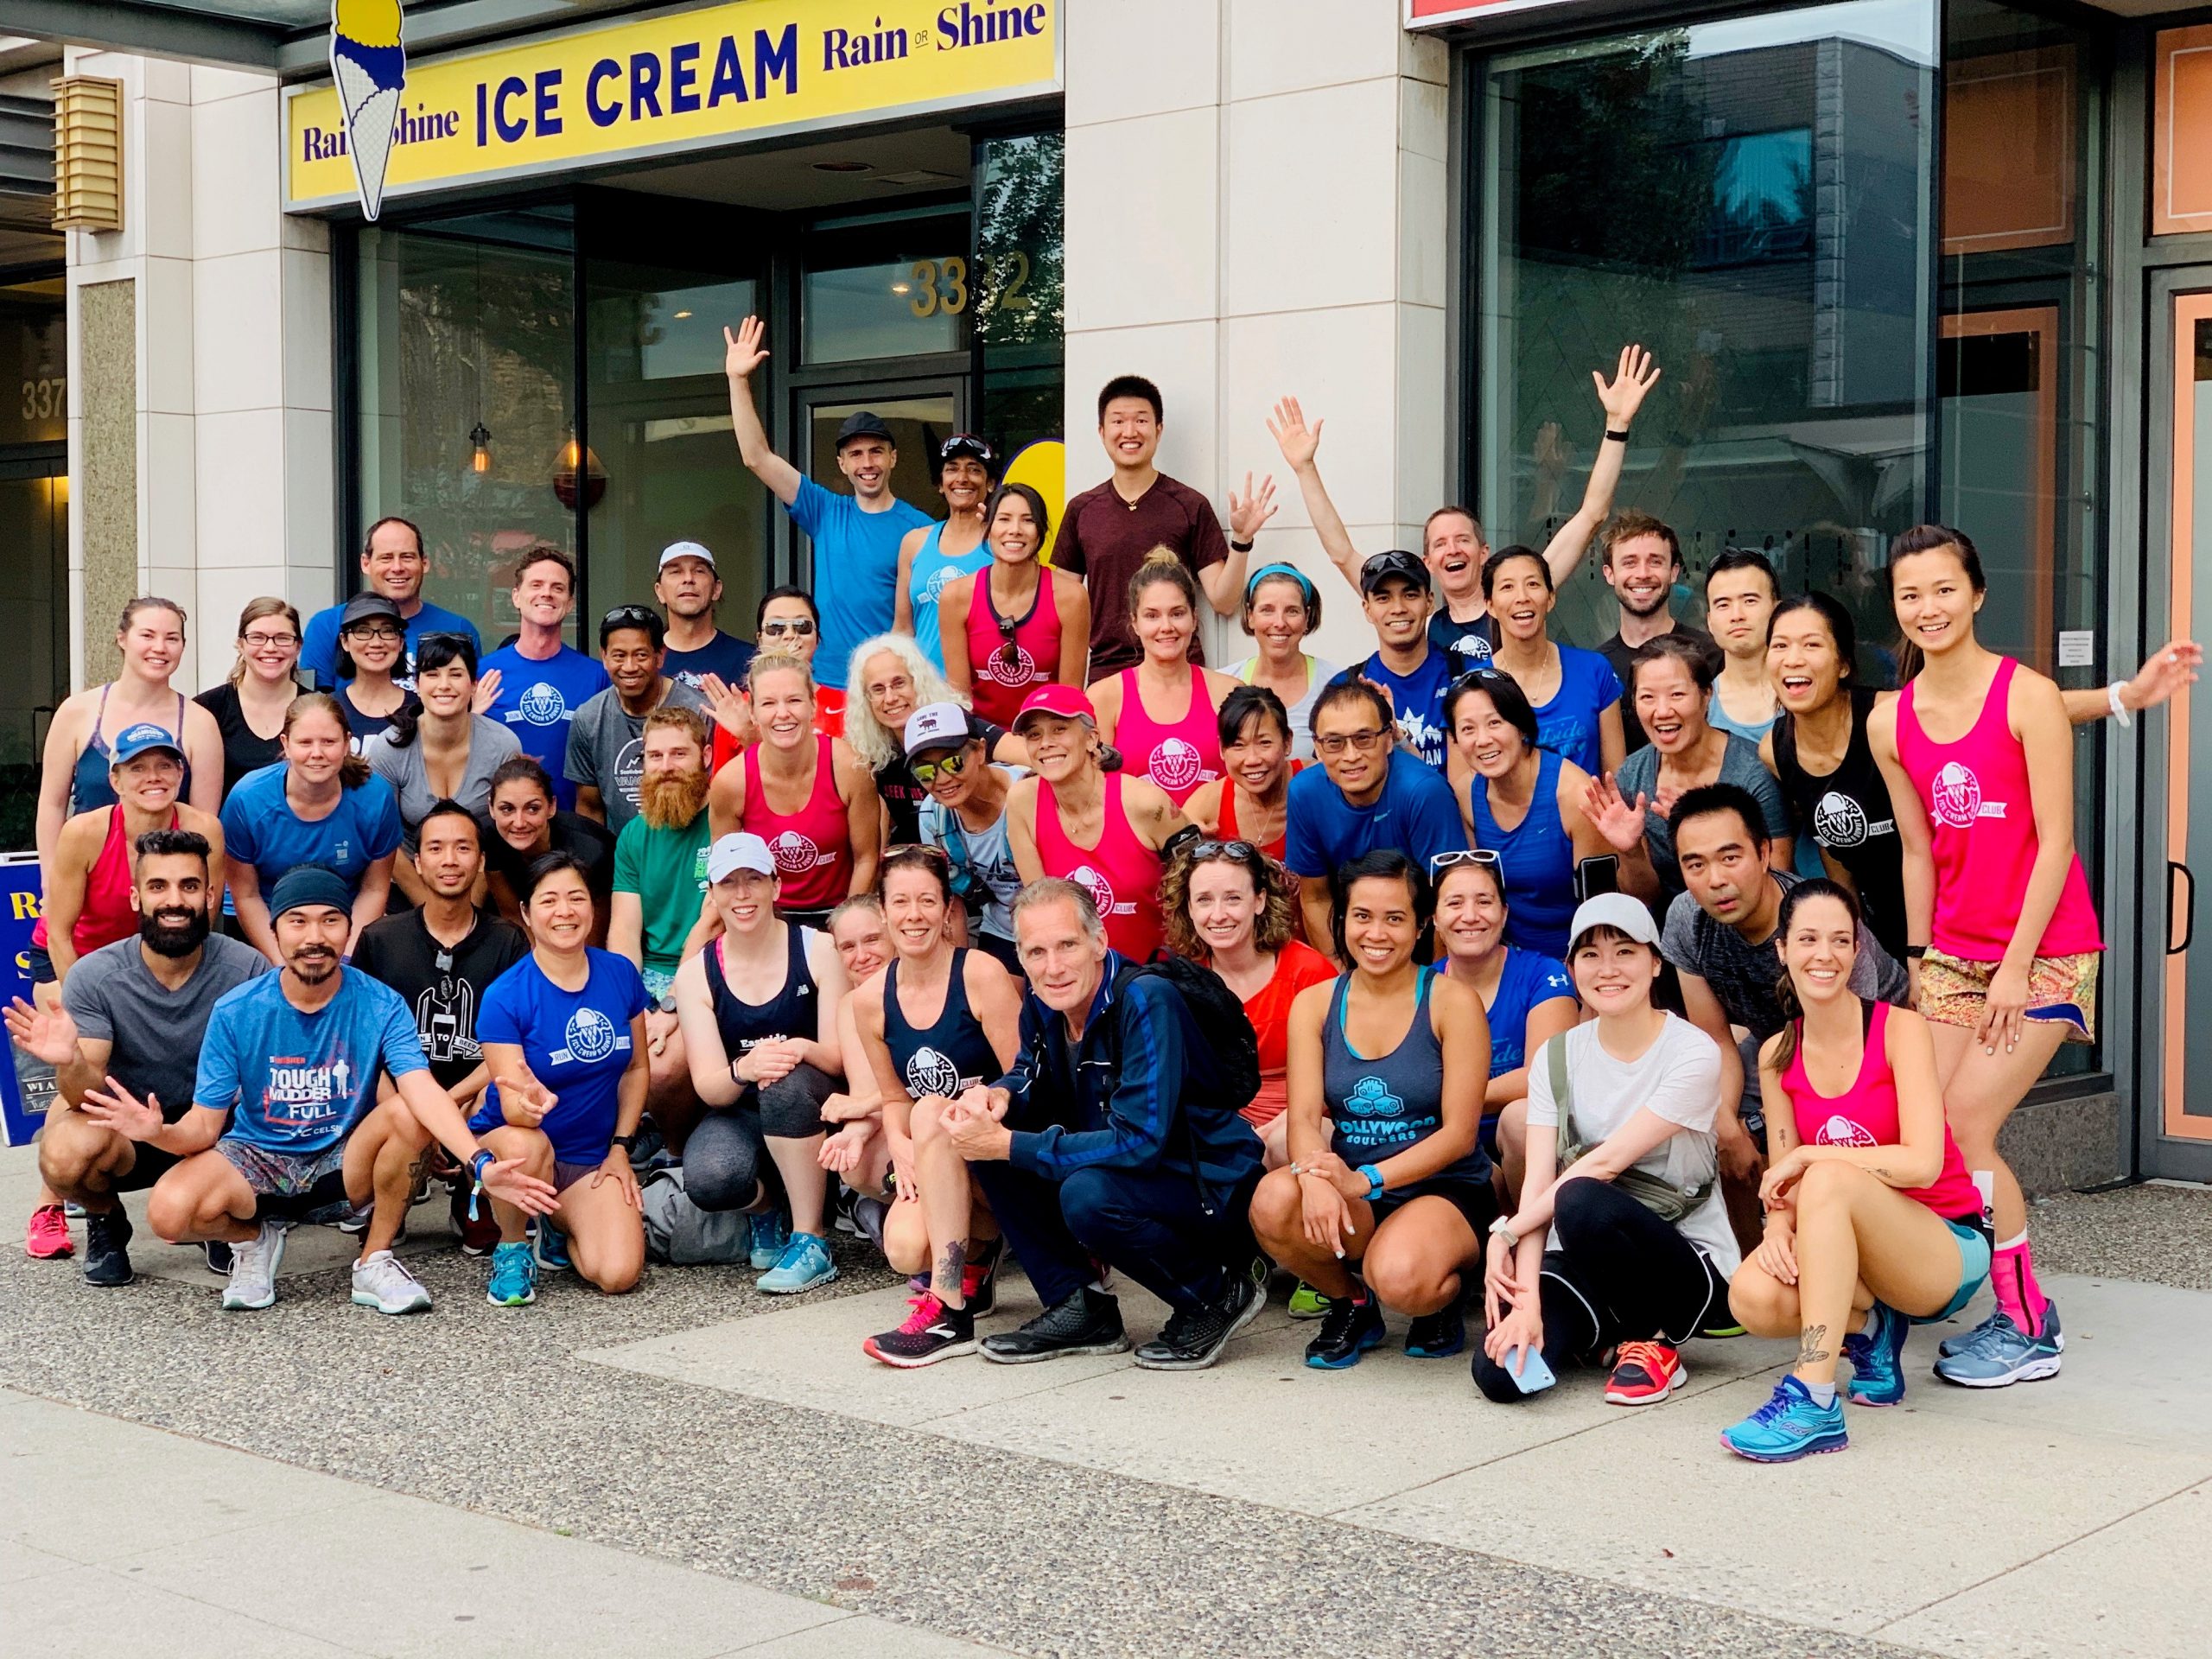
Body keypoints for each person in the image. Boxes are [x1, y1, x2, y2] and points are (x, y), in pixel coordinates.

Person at [77, 865, 555, 1313]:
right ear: (277, 931)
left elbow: (422, 1088)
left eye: (330, 921)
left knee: (411, 1114)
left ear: (348, 929)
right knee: (168, 1212)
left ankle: (374, 1260)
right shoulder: (236, 1010)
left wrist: (479, 1161)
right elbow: (203, 1127)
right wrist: (155, 1131)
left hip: (345, 1158)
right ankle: (252, 1241)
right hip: (258, 1158)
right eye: (297, 921)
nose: (314, 937)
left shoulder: (380, 1003)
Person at [1869, 525, 2104, 1387]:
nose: (1926, 608)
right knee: (1917, 1131)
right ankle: (1911, 1303)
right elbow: (1918, 852)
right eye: (1909, 594)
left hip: (2042, 952)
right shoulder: (1889, 720)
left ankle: (2028, 1323)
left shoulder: (2028, 697)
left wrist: (2010, 967)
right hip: (1953, 956)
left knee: (1967, 1129)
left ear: (1975, 595)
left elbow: (2054, 842)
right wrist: (1923, 957)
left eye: (1942, 589)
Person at [942, 878, 1268, 1370]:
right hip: (1141, 1178)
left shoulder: (1145, 999)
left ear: (1099, 942)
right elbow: (1028, 1070)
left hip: (1210, 1189)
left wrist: (1011, 1144)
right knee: (984, 1140)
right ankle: (1079, 1306)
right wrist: (998, 1098)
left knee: (1083, 1192)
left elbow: (1140, 1142)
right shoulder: (1043, 1001)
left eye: (1067, 945)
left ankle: (1215, 1294)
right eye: (1035, 952)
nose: (1053, 967)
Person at [1718, 880, 1993, 1460]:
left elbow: (1923, 1163)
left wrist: (1815, 1156)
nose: (1825, 955)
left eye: (1841, 940)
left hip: (1943, 1244)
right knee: (1751, 1296)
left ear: (1857, 949)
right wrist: (1775, 1228)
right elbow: (1787, 1180)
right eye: (1809, 939)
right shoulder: (1776, 1053)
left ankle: (1814, 1398)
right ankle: (1870, 1333)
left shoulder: (1900, 1029)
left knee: (1830, 1178)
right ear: (1783, 950)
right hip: (1855, 1246)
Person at [1766, 594, 2202, 962]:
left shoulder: (1887, 717)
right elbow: (1836, 851)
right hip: (1881, 942)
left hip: (1953, 931)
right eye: (1780, 645)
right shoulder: (1776, 751)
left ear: (1843, 664)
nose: (1793, 659)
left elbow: (2008, 714)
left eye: (1811, 644)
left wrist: (2125, 697)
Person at [1473, 893, 1737, 1406]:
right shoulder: (1558, 1054)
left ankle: (1652, 1344)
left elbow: (1606, 1163)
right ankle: (1607, 1335)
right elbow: (1535, 1183)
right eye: (1590, 955)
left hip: (1686, 1263)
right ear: (1572, 968)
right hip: (1585, 1255)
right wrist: (1526, 1301)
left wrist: (1504, 1232)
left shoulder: (1692, 1052)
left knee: (1581, 1198)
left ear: (1656, 962)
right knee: (1501, 1373)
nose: (1608, 969)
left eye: (1625, 951)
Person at [1249, 852, 1494, 1366]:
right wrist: (1316, 1177)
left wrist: (1366, 1180)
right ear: (1342, 919)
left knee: (1402, 1278)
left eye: (1395, 918)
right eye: (1362, 916)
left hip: (1441, 1189)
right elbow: (1304, 1119)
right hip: (1351, 1183)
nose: (1376, 933)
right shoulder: (1315, 1005)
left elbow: (1459, 1136)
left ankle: (1437, 1299)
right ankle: (1351, 1302)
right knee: (1273, 1201)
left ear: (1423, 923)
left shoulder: (1452, 1002)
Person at [1266, 347, 1659, 660]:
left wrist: (1617, 425)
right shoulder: (1417, 619)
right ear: (1429, 563)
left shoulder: (1518, 597)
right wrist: (1305, 469)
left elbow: (1591, 515)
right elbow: (1341, 553)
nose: (1452, 549)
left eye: (1462, 540)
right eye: (1440, 544)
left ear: (1483, 552)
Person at [7, 830, 269, 1286]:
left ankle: (215, 1216)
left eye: (189, 886)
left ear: (210, 896)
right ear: (135, 897)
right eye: (158, 887)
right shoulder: (95, 975)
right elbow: (80, 1098)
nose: (174, 900)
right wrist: (67, 1059)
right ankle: (107, 1220)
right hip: (131, 1132)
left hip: (216, 1133)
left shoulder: (249, 971)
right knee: (64, 1152)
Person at [1662, 784, 1909, 1246]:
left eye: (1730, 857)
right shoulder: (1685, 920)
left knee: (1820, 1141)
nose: (1714, 879)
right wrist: (1726, 1125)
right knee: (1711, 1129)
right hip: (1775, 1048)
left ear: (1764, 852)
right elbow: (1713, 1040)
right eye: (1695, 864)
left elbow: (1852, 1048)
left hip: (1873, 1046)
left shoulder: (1815, 917)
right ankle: (1755, 1263)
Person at [857, 847, 1027, 1364]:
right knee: (906, 1247)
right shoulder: (869, 1000)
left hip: (1003, 1152)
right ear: (882, 912)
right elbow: (892, 1097)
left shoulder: (979, 972)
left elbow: (1026, 1077)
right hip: (940, 1153)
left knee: (933, 1108)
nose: (915, 915)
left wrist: (983, 1103)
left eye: (928, 901)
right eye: (901, 902)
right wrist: (904, 1148)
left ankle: (949, 1306)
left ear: (949, 909)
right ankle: (974, 1264)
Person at [671, 832, 850, 1292]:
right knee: (710, 1179)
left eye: (753, 879)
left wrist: (798, 1049)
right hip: (742, 1107)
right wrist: (743, 1069)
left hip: (813, 1102)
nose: (742, 894)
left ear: (776, 885)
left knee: (783, 1084)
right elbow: (710, 1086)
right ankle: (768, 1208)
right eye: (729, 883)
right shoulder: (697, 973)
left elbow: (838, 1058)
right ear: (712, 896)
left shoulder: (818, 950)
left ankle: (811, 1237)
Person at [468, 853, 650, 1306]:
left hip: (591, 1155)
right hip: (521, 1142)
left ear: (593, 907)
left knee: (617, 1274)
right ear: (527, 913)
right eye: (548, 901)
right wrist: (529, 1103)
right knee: (525, 1146)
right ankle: (512, 1246)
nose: (564, 911)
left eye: (576, 898)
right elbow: (512, 1108)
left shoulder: (619, 973)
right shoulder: (505, 995)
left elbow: (636, 1068)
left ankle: (557, 1225)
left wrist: (621, 1149)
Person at [353, 800, 530, 1248]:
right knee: (391, 1112)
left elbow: (516, 1046)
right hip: (401, 1100)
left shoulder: (508, 941)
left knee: (506, 1094)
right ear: (418, 862)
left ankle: (474, 1197)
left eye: (463, 848)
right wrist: (414, 1114)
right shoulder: (380, 939)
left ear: (481, 860)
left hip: (473, 1097)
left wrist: (449, 1107)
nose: (449, 860)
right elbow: (362, 1049)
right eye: (436, 848)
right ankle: (390, 1197)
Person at [726, 316, 932, 693]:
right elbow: (757, 457)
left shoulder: (920, 530)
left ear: (893, 458)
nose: (867, 463)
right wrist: (738, 381)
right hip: (825, 683)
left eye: (876, 452)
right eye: (855, 454)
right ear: (842, 464)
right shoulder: (826, 511)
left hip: (884, 687)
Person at [1053, 374, 1268, 677]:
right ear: (1102, 432)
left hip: (1180, 668)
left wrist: (1243, 540)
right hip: (1109, 672)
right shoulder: (1081, 509)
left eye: (1141, 421)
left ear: (1158, 429)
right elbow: (1061, 605)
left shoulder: (1189, 504)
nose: (1130, 431)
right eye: (1118, 422)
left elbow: (1224, 600)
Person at [1446, 669, 1652, 958]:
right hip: (1503, 959)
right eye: (1468, 729)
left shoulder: (1573, 796)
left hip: (1573, 957)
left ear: (1521, 726)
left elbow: (1602, 909)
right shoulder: (1466, 794)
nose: (1482, 740)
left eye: (1495, 723)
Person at [1162, 837, 1332, 1166]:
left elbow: (1340, 1074)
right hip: (1222, 1124)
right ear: (1189, 908)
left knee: (1284, 1146)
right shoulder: (1180, 983)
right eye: (1204, 900)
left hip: (1305, 1117)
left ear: (1259, 901)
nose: (1218, 915)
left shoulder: (1308, 972)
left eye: (1233, 898)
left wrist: (1277, 1127)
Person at [29, 726, 225, 997]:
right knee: (85, 1037)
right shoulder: (83, 833)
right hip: (75, 958)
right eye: (137, 769)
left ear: (180, 774)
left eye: (165, 766)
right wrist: (85, 1005)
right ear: (115, 781)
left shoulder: (205, 830)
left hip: (154, 961)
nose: (153, 777)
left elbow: (201, 923)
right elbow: (59, 934)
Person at [37, 597, 222, 876]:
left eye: (172, 638)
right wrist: (52, 882)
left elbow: (203, 825)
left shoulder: (200, 724)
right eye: (147, 635)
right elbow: (52, 805)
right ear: (122, 638)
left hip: (165, 888)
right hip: (85, 881)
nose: (159, 648)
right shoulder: (76, 713)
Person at [1006, 683, 1187, 964]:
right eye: (1034, 735)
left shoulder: (1143, 801)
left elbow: (1200, 883)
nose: (1045, 743)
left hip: (1159, 976)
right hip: (1078, 977)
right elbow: (1043, 909)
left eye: (1059, 729)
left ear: (1091, 739)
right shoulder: (1022, 802)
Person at [1283, 682, 1466, 956]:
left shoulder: (1424, 792)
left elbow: (1449, 897)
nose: (1351, 756)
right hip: (1353, 937)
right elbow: (1316, 896)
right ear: (1318, 749)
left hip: (1423, 938)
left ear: (1389, 740)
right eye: (1334, 743)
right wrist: (1338, 974)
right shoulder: (1305, 792)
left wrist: (1433, 984)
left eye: (1364, 738)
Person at [1600, 635, 1793, 896]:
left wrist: (1700, 831)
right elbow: (1645, 898)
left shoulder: (1752, 772)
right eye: (1647, 697)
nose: (1663, 711)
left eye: (1677, 694)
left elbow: (1777, 886)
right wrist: (1631, 852)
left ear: (1707, 695)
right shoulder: (1633, 776)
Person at [1433, 854, 1578, 1192]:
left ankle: (1534, 1235)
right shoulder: (1421, 986)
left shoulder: (1542, 974)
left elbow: (1545, 1076)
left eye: (1484, 901)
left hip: (1528, 1141)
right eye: (1454, 903)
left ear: (1504, 913)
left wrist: (1450, 1098)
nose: (1470, 916)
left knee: (1520, 1118)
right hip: (1448, 1143)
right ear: (1435, 919)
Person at [219, 694, 400, 963]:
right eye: (305, 742)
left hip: (343, 927)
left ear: (347, 743)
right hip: (266, 926)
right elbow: (246, 895)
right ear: (286, 744)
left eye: (329, 742)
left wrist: (345, 959)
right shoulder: (248, 799)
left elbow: (374, 889)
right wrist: (283, 964)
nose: (317, 753)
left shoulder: (376, 798)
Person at [708, 655, 880, 928]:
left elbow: (867, 858)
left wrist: (845, 929)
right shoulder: (730, 783)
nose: (783, 713)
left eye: (794, 700)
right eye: (768, 703)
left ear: (813, 705)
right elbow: (726, 874)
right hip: (764, 918)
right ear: (752, 712)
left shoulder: (849, 767)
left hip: (840, 911)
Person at [365, 632, 524, 904]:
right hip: (409, 888)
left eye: (455, 674)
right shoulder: (388, 748)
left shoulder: (503, 745)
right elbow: (382, 838)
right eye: (432, 674)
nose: (444, 685)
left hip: (485, 886)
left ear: (473, 685)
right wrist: (432, 909)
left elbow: (507, 833)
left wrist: (468, 908)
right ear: (416, 684)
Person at [1090, 550, 1242, 807]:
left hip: (1217, 844)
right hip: (1135, 845)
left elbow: (1247, 785)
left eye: (1177, 613)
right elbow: (1093, 793)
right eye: (1152, 615)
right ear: (1135, 623)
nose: (1166, 627)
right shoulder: (1104, 697)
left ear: (1194, 619)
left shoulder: (1229, 692)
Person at [842, 633, 1020, 848]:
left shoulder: (957, 726)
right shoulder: (869, 751)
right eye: (878, 689)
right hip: (919, 858)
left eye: (899, 683)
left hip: (990, 844)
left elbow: (1032, 758)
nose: (890, 698)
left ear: (919, 682)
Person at [942, 482, 1089, 728]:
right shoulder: (956, 597)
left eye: (1028, 520)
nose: (1015, 530)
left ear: (1041, 531)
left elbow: (1069, 700)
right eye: (1004, 519)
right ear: (987, 527)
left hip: (1047, 739)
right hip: (982, 738)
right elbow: (961, 702)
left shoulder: (1070, 597)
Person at [478, 544, 611, 812]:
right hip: (503, 824)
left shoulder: (597, 676)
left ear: (570, 602)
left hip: (575, 823)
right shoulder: (483, 673)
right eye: (536, 585)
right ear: (516, 596)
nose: (546, 593)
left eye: (557, 588)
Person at [566, 604, 710, 834]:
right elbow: (589, 807)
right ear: (604, 657)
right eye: (619, 656)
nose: (630, 667)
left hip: (688, 847)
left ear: (660, 656)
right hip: (621, 857)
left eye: (641, 655)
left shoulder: (700, 711)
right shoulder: (589, 718)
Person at [1483, 546, 1625, 779]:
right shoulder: (1476, 686)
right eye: (1507, 587)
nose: (1522, 597)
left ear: (1550, 598)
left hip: (1588, 813)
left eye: (1533, 584)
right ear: (1490, 605)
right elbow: (1467, 787)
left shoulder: (1594, 670)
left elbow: (1616, 777)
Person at [610, 706, 717, 1010]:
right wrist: (631, 1002)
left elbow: (715, 925)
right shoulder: (634, 834)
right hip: (650, 976)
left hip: (713, 969)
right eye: (655, 756)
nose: (666, 766)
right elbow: (625, 932)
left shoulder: (726, 821)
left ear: (705, 756)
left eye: (679, 754)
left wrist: (673, 1000)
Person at [906, 702, 1026, 972]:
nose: (942, 779)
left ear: (981, 750)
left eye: (953, 762)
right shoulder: (932, 816)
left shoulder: (1028, 791)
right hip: (1002, 929)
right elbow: (953, 900)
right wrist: (959, 975)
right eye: (925, 772)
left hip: (1052, 924)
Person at [301, 515, 481, 689]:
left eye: (407, 557)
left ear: (424, 563)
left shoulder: (459, 629)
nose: (397, 568)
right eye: (386, 558)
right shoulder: (327, 625)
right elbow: (314, 705)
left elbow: (471, 699)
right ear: (365, 563)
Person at [1331, 550, 1463, 769]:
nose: (1398, 609)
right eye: (1383, 598)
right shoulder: (1347, 686)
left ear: (1430, 602)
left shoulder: (1465, 672)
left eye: (1410, 595)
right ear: (1367, 609)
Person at [1594, 513, 1709, 755]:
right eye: (1629, 563)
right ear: (1609, 573)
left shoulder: (1709, 655)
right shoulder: (1596, 668)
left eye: (1655, 561)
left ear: (1674, 572)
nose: (1643, 573)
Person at [484, 755, 616, 940]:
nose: (519, 823)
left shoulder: (593, 850)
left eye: (533, 809)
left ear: (551, 807)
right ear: (491, 808)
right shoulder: (488, 837)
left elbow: (594, 938)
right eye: (507, 809)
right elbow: (514, 917)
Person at [894, 434, 996, 672]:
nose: (962, 478)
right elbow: (903, 629)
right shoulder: (914, 543)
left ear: (990, 483)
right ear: (940, 483)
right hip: (925, 691)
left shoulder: (1002, 543)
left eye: (974, 470)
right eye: (952, 469)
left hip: (985, 692)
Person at [1222, 563, 1337, 760]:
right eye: (1267, 610)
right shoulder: (1223, 682)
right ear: (1250, 616)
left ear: (1307, 617)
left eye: (1292, 611)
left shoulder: (1335, 684)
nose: (1280, 623)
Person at [195, 598, 305, 797]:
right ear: (240, 644)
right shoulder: (207, 709)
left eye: (283, 638)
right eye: (257, 637)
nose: (270, 647)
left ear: (298, 646)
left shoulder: (318, 709)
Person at [1184, 687, 1300, 865]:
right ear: (1222, 749)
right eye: (1238, 745)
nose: (1252, 759)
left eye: (1264, 743)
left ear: (1287, 742)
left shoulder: (1315, 786)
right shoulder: (1208, 801)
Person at [654, 539, 757, 690]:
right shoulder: (643, 662)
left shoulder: (750, 661)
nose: (688, 579)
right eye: (676, 572)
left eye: (699, 571)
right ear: (660, 591)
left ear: (716, 589)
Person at [1702, 549, 1781, 745]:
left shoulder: (1806, 692)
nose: (1737, 615)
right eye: (1723, 604)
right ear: (1710, 621)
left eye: (1750, 601)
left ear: (1777, 610)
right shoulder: (1699, 705)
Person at [327, 594, 421, 753]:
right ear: (345, 641)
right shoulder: (327, 709)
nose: (376, 643)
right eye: (363, 631)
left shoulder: (420, 710)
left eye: (388, 631)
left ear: (401, 642)